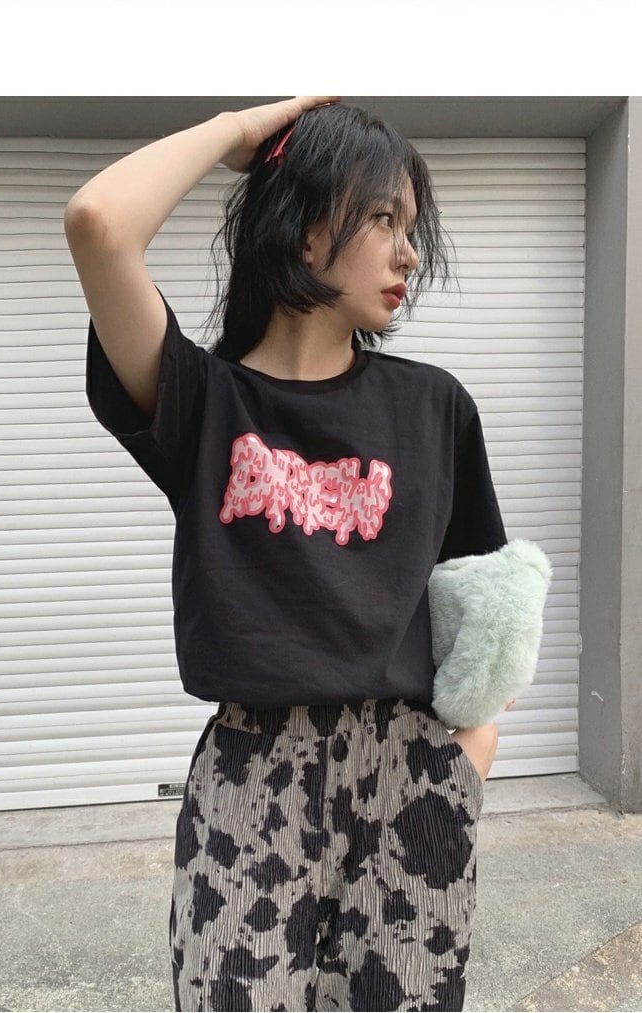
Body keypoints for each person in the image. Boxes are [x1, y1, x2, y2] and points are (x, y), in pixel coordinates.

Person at [64, 96, 514, 1013]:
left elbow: (487, 610)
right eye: (382, 217)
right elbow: (99, 222)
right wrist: (242, 131)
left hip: (411, 773)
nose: (409, 253)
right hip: (251, 777)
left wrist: (462, 766)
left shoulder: (434, 407)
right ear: (306, 231)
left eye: (412, 227)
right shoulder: (202, 402)